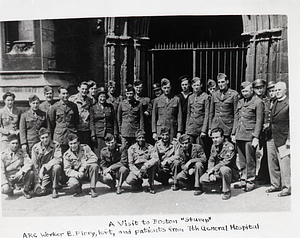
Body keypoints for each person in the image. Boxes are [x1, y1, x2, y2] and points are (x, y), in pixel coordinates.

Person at [232, 81, 264, 192]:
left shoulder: (258, 102)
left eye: (247, 91)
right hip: (240, 134)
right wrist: (233, 133)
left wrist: (256, 137)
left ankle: (250, 180)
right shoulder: (240, 101)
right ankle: (243, 178)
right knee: (241, 159)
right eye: (243, 91)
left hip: (250, 135)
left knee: (250, 160)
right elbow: (237, 118)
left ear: (252, 90)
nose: (245, 93)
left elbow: (259, 121)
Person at [265, 81, 290, 197]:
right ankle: (275, 184)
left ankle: (286, 187)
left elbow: (293, 123)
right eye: (275, 90)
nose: (277, 92)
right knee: (272, 161)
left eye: (279, 90)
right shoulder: (274, 102)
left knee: (284, 163)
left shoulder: (289, 103)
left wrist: (289, 138)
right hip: (271, 136)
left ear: (285, 90)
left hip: (283, 137)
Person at [200, 127, 238, 200]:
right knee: (202, 179)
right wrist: (210, 173)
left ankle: (226, 191)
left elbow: (226, 162)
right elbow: (211, 160)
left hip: (230, 172)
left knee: (224, 169)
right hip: (217, 171)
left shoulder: (230, 147)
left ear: (222, 137)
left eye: (217, 137)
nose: (214, 140)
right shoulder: (213, 146)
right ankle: (220, 185)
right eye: (213, 138)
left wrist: (213, 170)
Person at [31, 127, 62, 199]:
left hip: (51, 169)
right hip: (43, 173)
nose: (45, 140)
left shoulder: (55, 145)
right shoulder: (35, 148)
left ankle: (55, 188)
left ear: (50, 136)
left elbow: (58, 159)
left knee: (57, 167)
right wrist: (37, 181)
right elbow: (35, 165)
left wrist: (45, 166)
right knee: (40, 192)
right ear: (39, 138)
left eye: (47, 137)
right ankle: (49, 186)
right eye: (43, 138)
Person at [1, 134, 34, 199]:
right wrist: (4, 183)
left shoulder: (21, 152)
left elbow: (29, 162)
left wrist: (21, 172)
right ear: (9, 144)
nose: (15, 145)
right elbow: (1, 170)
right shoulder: (3, 155)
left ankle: (25, 190)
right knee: (4, 189)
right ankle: (10, 189)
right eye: (13, 143)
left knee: (30, 173)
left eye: (16, 143)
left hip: (19, 175)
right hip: (9, 177)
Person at [48, 85, 79, 154]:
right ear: (59, 95)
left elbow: (76, 121)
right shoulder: (54, 107)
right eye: (63, 93)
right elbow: (51, 123)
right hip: (60, 136)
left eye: (67, 93)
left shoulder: (73, 106)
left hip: (71, 135)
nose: (65, 95)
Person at [126, 129, 158, 194]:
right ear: (136, 139)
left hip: (147, 168)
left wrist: (146, 166)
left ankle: (150, 185)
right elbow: (131, 164)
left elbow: (155, 158)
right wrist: (138, 173)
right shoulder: (131, 149)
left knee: (154, 165)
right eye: (139, 138)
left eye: (143, 138)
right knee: (129, 180)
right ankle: (139, 182)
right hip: (137, 169)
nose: (141, 139)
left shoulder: (150, 147)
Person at [209, 73, 239, 140]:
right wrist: (210, 128)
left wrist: (233, 131)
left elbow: (236, 114)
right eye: (219, 82)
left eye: (222, 82)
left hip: (227, 128)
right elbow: (211, 113)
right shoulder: (214, 94)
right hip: (215, 127)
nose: (220, 84)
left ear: (227, 82)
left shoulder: (234, 94)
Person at [90, 87, 118, 157]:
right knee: (98, 154)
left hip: (109, 134)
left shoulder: (110, 106)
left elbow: (114, 120)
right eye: (101, 97)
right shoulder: (93, 107)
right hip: (98, 134)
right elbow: (91, 122)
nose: (102, 99)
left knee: (109, 153)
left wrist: (115, 133)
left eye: (104, 97)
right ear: (97, 97)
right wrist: (93, 134)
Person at [185, 77, 210, 155]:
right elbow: (188, 114)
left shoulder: (205, 97)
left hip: (200, 129)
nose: (196, 87)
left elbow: (207, 114)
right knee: (189, 149)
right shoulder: (190, 97)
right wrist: (187, 129)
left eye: (198, 85)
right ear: (192, 86)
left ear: (201, 85)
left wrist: (204, 130)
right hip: (191, 128)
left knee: (200, 149)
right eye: (194, 85)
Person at [253, 79, 270, 184]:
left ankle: (263, 175)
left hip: (265, 131)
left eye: (261, 88)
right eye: (257, 88)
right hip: (254, 131)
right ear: (254, 89)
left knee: (266, 153)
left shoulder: (267, 100)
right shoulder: (252, 100)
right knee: (253, 153)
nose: (259, 90)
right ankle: (251, 176)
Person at [117, 84, 144, 150]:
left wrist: (141, 131)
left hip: (135, 130)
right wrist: (120, 130)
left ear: (134, 94)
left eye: (131, 94)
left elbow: (141, 119)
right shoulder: (121, 104)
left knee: (135, 149)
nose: (129, 96)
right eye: (127, 93)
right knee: (124, 148)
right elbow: (119, 118)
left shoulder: (138, 104)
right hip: (125, 131)